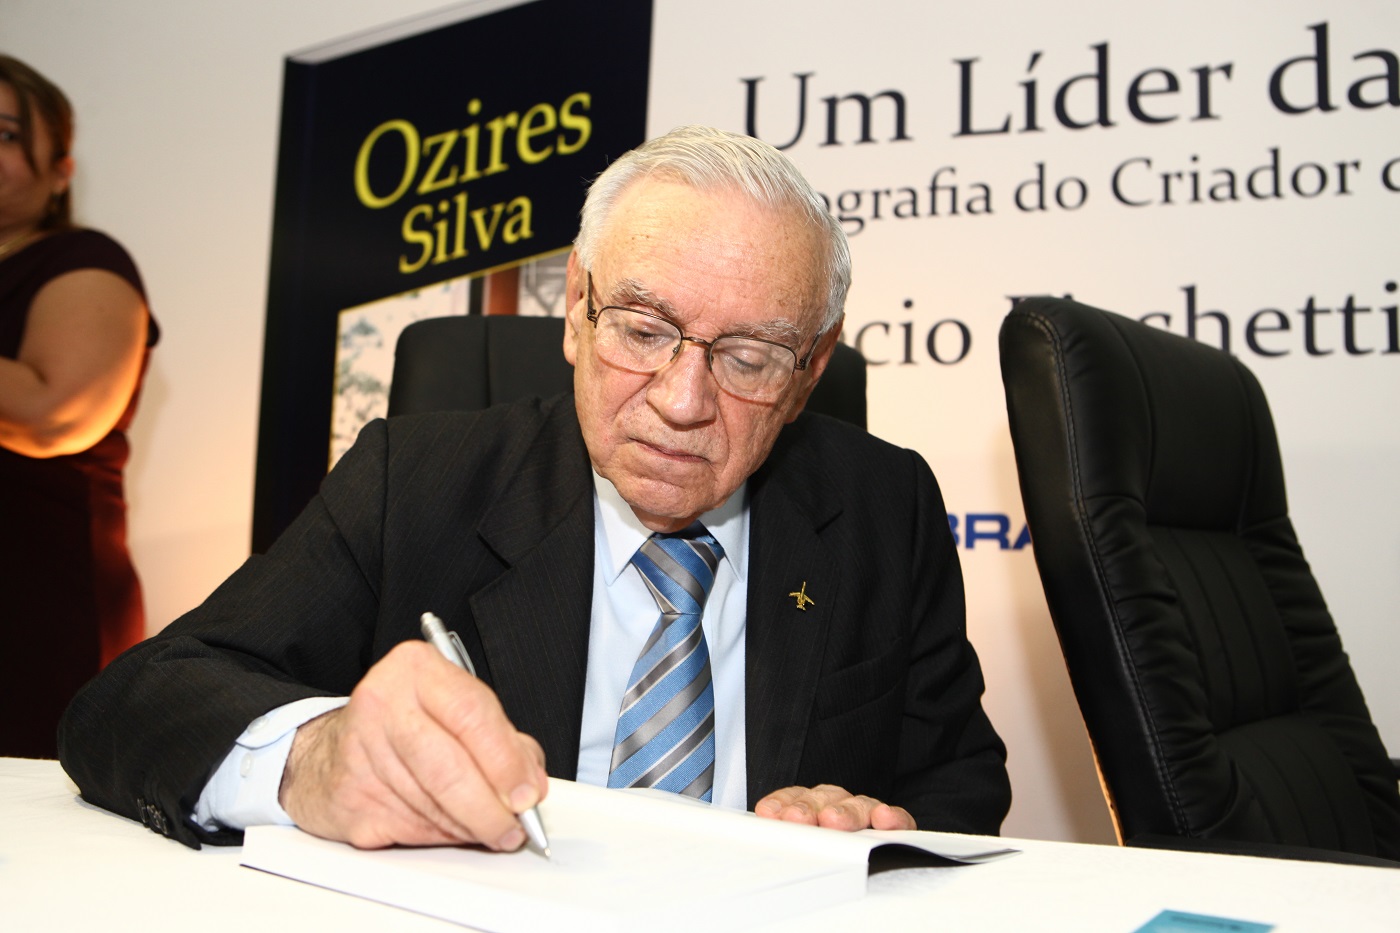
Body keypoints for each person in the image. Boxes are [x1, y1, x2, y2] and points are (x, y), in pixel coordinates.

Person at [59, 126, 1009, 850]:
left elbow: (959, 783)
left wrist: (872, 828)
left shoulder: (885, 505)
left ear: (811, 370)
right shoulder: (413, 481)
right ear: (577, 308)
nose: (682, 402)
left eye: (750, 357)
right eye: (642, 329)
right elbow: (134, 700)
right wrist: (313, 759)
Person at [1, 55, 158, 759]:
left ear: (61, 171)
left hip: (31, 609)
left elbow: (54, 413)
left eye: (5, 133)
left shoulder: (82, 260)